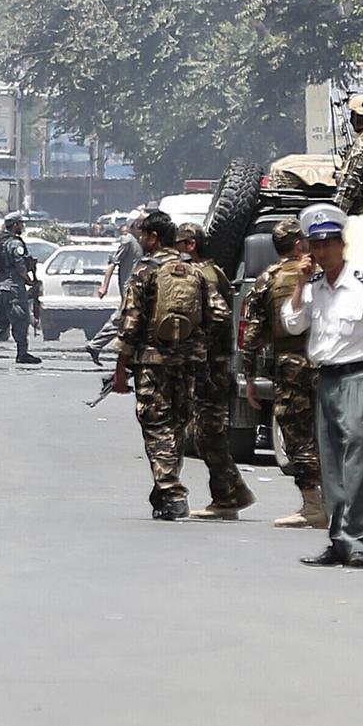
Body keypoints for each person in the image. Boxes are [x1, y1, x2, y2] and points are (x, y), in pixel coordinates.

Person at [281, 204, 363, 568]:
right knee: (332, 464)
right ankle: (338, 540)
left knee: (360, 460)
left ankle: (360, 543)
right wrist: (300, 283)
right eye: (315, 246)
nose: (322, 252)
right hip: (327, 379)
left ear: (342, 244)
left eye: (328, 244)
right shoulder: (315, 286)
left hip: (358, 377)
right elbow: (292, 324)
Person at [111, 210, 226, 520]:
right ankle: (164, 489)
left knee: (156, 424)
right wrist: (198, 345)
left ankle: (172, 492)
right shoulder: (195, 270)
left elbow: (130, 322)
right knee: (176, 425)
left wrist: (121, 368)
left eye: (144, 236)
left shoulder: (145, 270)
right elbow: (219, 314)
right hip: (190, 362)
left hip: (153, 362)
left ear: (154, 237)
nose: (141, 240)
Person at [240, 219, 326, 528]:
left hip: (291, 367)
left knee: (298, 437)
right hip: (329, 363)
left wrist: (249, 376)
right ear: (298, 243)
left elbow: (252, 332)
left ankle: (314, 505)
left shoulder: (267, 279)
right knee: (331, 434)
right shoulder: (323, 272)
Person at [174, 223, 256, 519]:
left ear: (191, 245)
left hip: (209, 367)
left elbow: (219, 316)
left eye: (179, 245)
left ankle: (229, 497)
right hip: (211, 364)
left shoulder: (203, 274)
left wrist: (198, 347)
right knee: (207, 432)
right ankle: (230, 494)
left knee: (209, 433)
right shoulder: (212, 271)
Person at [0, 211, 40, 365]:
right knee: (21, 319)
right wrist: (29, 281)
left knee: (2, 320)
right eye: (21, 224)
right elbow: (20, 267)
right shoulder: (15, 243)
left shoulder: (0, 241)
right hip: (13, 287)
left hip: (1, 285)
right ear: (15, 225)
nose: (22, 227)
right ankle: (22, 353)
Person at [86, 218, 143, 365]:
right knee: (122, 317)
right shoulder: (128, 241)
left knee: (129, 319)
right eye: (141, 228)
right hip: (129, 287)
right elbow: (112, 264)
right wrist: (104, 286)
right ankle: (95, 345)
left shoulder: (140, 242)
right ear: (134, 227)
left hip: (137, 286)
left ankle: (98, 346)